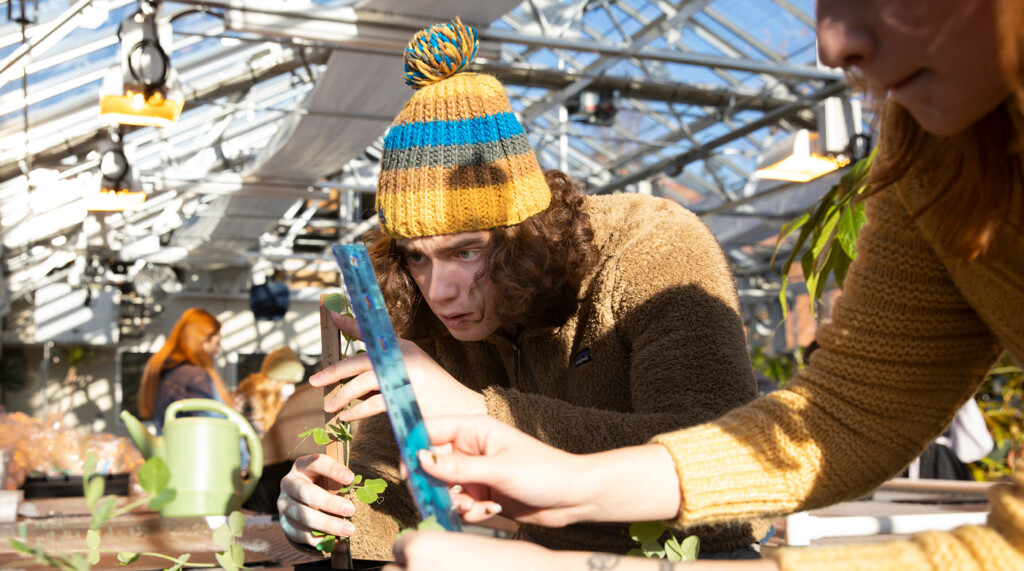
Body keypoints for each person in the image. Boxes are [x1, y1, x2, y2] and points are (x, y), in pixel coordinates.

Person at [380, 0, 1024, 569]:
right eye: (417, 258)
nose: (831, 44)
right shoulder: (938, 154)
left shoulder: (650, 244)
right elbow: (848, 412)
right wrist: (577, 481)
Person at [278, 18, 766, 561]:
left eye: (467, 251)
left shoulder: (655, 248)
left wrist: (476, 413)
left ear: (524, 236)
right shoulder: (425, 312)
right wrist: (328, 511)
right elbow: (395, 491)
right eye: (416, 257)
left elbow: (726, 458)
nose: (439, 291)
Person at [138, 307, 230, 434]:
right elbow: (220, 428)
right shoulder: (195, 377)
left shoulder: (164, 374)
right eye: (216, 343)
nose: (217, 350)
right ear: (203, 341)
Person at [232, 347, 306, 439]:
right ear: (275, 381)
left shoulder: (279, 402)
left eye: (294, 384)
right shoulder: (247, 398)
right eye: (288, 383)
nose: (292, 388)